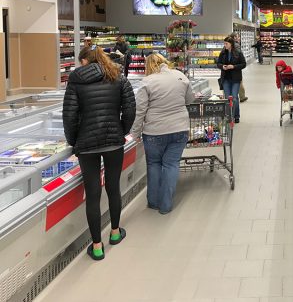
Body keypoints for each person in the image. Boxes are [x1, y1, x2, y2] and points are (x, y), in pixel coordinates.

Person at [62, 46, 136, 261]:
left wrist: (74, 142)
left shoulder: (75, 79)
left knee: (92, 194)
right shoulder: (118, 77)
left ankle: (96, 246)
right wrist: (121, 131)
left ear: (85, 61)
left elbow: (69, 115)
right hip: (113, 142)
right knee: (113, 188)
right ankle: (115, 232)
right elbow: (130, 109)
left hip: (87, 144)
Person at [130, 53, 195, 215]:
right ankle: (166, 205)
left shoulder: (147, 82)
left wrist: (135, 132)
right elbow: (189, 100)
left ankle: (153, 202)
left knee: (154, 164)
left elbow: (140, 111)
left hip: (154, 132)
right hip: (179, 129)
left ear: (148, 66)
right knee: (171, 164)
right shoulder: (181, 76)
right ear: (165, 62)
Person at [217, 36, 246, 123]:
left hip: (235, 79)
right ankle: (229, 115)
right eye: (224, 43)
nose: (225, 45)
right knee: (227, 98)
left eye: (226, 43)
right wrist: (223, 66)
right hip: (225, 78)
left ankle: (236, 116)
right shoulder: (222, 53)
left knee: (234, 98)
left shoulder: (238, 53)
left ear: (231, 44)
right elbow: (218, 63)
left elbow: (243, 64)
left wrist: (233, 66)